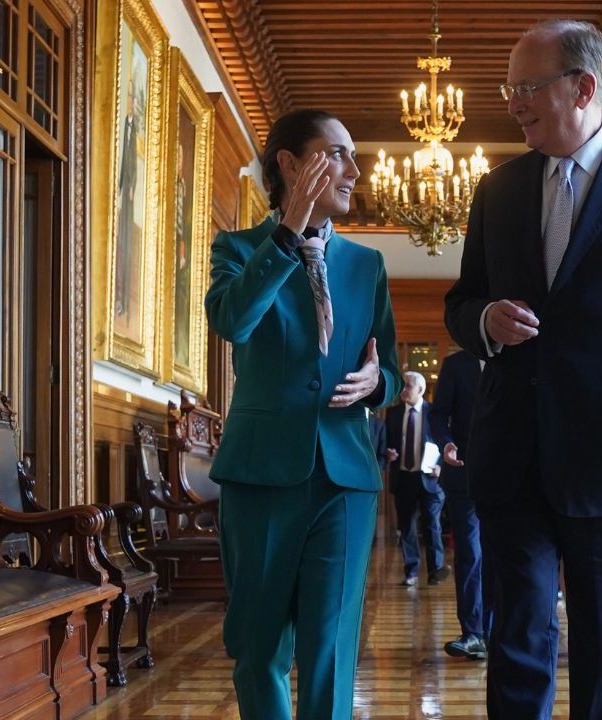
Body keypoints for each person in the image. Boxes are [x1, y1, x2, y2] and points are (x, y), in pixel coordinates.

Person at [443, 20, 602, 719]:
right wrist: (485, 321)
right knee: (518, 642)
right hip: (511, 457)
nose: (514, 103)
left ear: (583, 87)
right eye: (511, 89)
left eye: (526, 88)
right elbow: (460, 303)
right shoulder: (495, 190)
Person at [204, 108, 402, 720]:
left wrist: (376, 384)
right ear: (291, 164)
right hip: (260, 476)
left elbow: (390, 370)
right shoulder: (237, 249)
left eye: (352, 154)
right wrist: (286, 236)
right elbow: (232, 321)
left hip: (346, 480)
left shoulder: (366, 266)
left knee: (331, 650)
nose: (353, 168)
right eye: (337, 152)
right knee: (259, 647)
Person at [429, 348, 494, 660]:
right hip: (464, 473)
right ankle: (473, 632)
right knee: (470, 551)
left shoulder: (522, 354)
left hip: (516, 476)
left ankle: (501, 630)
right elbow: (438, 413)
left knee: (508, 554)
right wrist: (447, 443)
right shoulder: (456, 364)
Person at [384, 371, 449, 587]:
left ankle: (435, 570)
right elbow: (386, 442)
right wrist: (388, 453)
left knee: (432, 524)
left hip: (430, 478)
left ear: (420, 390)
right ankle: (411, 572)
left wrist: (440, 466)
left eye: (408, 386)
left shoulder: (434, 413)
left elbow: (446, 442)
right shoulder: (392, 414)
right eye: (403, 386)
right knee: (407, 527)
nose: (403, 390)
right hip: (403, 478)